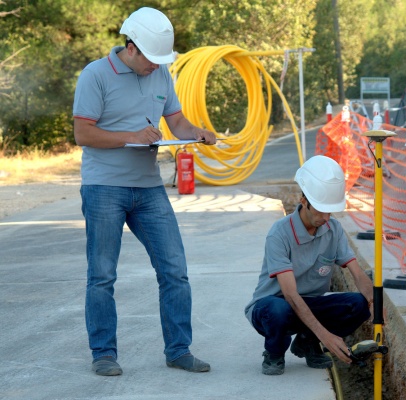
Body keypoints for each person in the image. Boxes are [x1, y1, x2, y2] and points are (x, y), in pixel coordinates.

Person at [72, 7, 216, 376]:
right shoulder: (95, 75)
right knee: (102, 275)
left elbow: (177, 121)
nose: (157, 65)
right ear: (132, 47)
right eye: (152, 58)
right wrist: (130, 137)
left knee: (175, 270)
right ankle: (103, 353)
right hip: (104, 187)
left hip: (149, 189)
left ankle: (178, 350)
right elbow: (83, 133)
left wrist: (197, 132)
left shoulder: (161, 73)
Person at [244, 155, 374, 375]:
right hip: (273, 306)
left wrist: (373, 302)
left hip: (310, 304)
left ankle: (307, 342)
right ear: (304, 200)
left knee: (357, 304)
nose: (325, 217)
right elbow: (291, 296)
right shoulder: (280, 234)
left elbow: (357, 274)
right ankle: (274, 353)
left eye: (329, 210)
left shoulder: (333, 229)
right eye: (320, 210)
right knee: (279, 309)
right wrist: (327, 336)